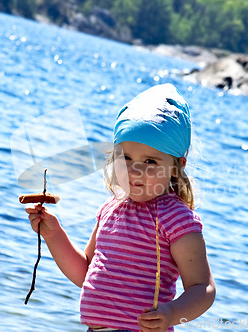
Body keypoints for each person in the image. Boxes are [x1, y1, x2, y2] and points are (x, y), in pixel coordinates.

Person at [26, 83, 215, 332]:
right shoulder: (111, 208)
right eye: (125, 157)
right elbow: (85, 273)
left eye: (150, 161)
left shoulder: (177, 218)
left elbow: (203, 288)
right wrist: (53, 234)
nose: (134, 170)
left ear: (176, 165)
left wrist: (172, 314)